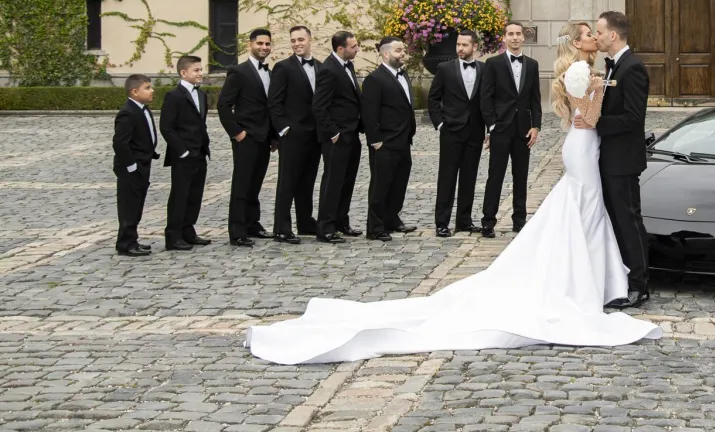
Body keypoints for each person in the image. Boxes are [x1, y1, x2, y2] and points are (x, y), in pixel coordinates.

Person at [245, 20, 662, 365]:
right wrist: (596, 102)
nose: (596, 36)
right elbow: (587, 118)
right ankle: (589, 280)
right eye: (591, 33)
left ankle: (604, 276)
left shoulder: (600, 69)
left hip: (590, 149)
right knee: (584, 209)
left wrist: (598, 101)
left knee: (590, 211)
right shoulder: (579, 72)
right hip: (584, 144)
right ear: (579, 42)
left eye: (598, 31)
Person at [588, 10, 652, 309]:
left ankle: (639, 285)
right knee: (618, 220)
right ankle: (624, 277)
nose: (597, 36)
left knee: (628, 221)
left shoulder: (633, 68)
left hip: (623, 160)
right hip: (611, 158)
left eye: (599, 32)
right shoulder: (613, 66)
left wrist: (594, 123)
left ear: (613, 35)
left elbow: (633, 118)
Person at [479, 22, 542, 238]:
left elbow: (535, 99)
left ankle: (520, 220)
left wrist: (536, 126)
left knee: (521, 176)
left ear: (523, 37)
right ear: (504, 38)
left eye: (518, 34)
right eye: (511, 34)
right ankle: (488, 221)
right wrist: (492, 125)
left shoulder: (532, 65)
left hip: (523, 130)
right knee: (495, 175)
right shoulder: (493, 63)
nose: (515, 38)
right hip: (501, 128)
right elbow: (486, 97)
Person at [217, 28, 277, 247]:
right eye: (260, 43)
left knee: (256, 184)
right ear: (251, 45)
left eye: (267, 44)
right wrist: (237, 132)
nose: (264, 47)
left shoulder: (270, 73)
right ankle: (237, 230)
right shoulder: (239, 72)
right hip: (246, 137)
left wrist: (273, 137)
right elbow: (223, 105)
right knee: (241, 185)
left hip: (264, 138)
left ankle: (253, 223)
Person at [428, 30, 486, 238]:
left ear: (475, 47)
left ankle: (464, 221)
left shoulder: (484, 69)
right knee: (447, 177)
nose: (460, 48)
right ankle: (442, 222)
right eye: (458, 45)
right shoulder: (444, 69)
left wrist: (489, 127)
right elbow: (433, 99)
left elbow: (486, 101)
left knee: (469, 178)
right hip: (451, 131)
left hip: (475, 132)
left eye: (464, 45)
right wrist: (440, 125)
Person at [268, 25, 322, 242]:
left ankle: (305, 222)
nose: (297, 43)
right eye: (293, 40)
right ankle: (281, 227)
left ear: (310, 40)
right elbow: (274, 102)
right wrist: (284, 129)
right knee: (287, 182)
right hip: (292, 135)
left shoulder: (320, 67)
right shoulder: (283, 67)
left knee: (307, 181)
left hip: (314, 135)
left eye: (301, 39)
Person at [361, 37, 418, 242]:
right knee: (380, 185)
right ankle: (375, 227)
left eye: (403, 50)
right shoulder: (374, 79)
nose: (402, 53)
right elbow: (369, 113)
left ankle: (391, 219)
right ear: (385, 54)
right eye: (398, 50)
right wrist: (375, 141)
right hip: (384, 142)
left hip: (403, 141)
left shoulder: (403, 75)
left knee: (399, 183)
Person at [312, 30, 364, 244]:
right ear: (340, 48)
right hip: (337, 137)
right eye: (353, 47)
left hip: (352, 134)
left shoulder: (347, 65)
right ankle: (325, 227)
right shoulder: (329, 70)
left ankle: (341, 221)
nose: (357, 49)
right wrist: (332, 133)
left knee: (347, 181)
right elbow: (319, 106)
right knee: (333, 182)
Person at [160, 55, 212, 251]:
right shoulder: (174, 96)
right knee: (180, 195)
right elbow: (167, 127)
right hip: (183, 156)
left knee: (195, 194)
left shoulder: (201, 95)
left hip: (200, 153)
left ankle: (188, 230)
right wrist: (182, 151)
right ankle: (173, 236)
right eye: (196, 70)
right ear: (183, 73)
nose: (200, 73)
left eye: (200, 69)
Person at [112, 74, 159, 257]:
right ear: (134, 91)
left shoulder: (142, 109)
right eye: (147, 88)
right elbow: (120, 143)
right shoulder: (128, 112)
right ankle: (125, 243)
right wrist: (131, 166)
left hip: (143, 164)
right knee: (129, 206)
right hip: (131, 168)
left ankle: (132, 239)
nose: (151, 90)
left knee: (137, 204)